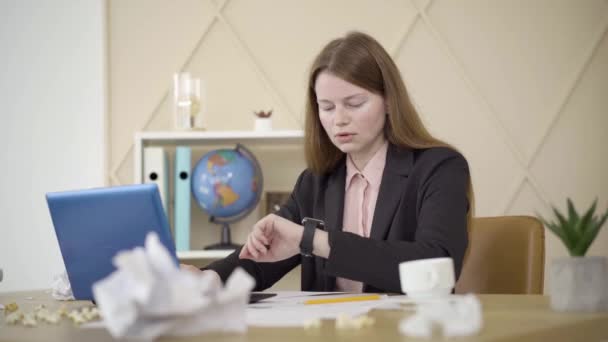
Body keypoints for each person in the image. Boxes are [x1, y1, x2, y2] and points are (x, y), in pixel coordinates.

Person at [182, 31, 474, 293]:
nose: (339, 120)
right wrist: (209, 278)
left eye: (355, 104)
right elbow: (263, 260)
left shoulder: (439, 168)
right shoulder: (315, 181)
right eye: (327, 107)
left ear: (388, 100)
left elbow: (437, 265)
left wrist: (313, 240)